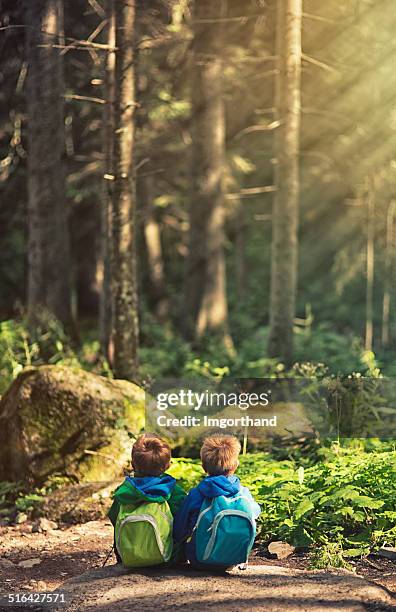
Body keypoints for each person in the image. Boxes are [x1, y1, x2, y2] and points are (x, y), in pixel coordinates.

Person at [173, 435, 260, 569]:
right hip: (234, 558)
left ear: (203, 466)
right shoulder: (244, 493)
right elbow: (255, 512)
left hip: (199, 560)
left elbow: (180, 530)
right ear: (236, 465)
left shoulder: (197, 494)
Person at [108, 433, 185, 566]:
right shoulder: (174, 492)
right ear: (168, 465)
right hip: (168, 559)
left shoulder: (124, 492)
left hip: (129, 558)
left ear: (132, 464)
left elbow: (114, 518)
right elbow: (183, 525)